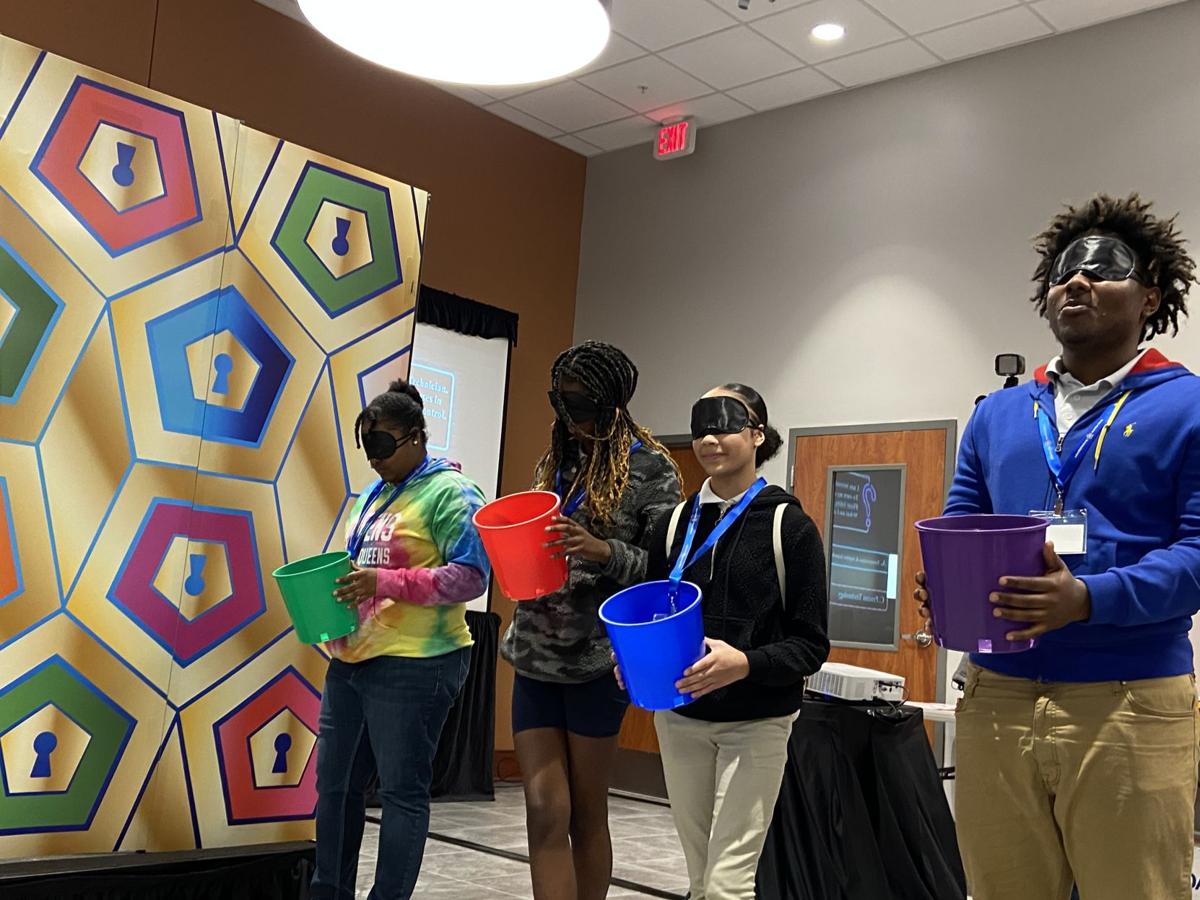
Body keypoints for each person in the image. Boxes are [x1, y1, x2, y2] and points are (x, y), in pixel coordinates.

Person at [915, 193, 1200, 900]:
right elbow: (962, 522)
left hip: (1128, 699)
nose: (1077, 281)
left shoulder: (1189, 406)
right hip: (996, 696)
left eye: (1103, 270)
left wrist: (1089, 599)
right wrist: (947, 579)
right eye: (1064, 271)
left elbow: (1197, 552)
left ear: (1150, 295)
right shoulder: (998, 413)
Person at [500, 341, 682, 900]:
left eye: (579, 405)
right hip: (534, 653)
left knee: (585, 812)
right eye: (560, 402)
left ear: (611, 404)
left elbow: (666, 572)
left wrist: (603, 551)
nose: (568, 416)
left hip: (597, 661)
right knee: (542, 809)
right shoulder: (556, 461)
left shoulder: (652, 470)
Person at [638, 383, 830, 900]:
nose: (709, 438)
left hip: (758, 723)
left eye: (724, 424)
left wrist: (745, 663)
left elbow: (811, 645)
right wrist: (635, 659)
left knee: (728, 884)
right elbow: (654, 615)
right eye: (700, 426)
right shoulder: (672, 525)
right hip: (681, 719)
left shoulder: (789, 527)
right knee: (701, 880)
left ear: (757, 435)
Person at [311, 379, 490, 900]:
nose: (374, 458)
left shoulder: (452, 492)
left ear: (416, 436)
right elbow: (364, 569)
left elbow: (472, 577)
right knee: (335, 787)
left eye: (384, 445)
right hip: (352, 658)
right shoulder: (375, 493)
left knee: (400, 793)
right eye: (367, 447)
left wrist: (383, 582)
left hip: (417, 662)